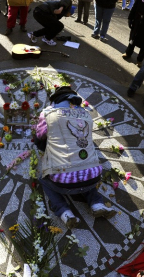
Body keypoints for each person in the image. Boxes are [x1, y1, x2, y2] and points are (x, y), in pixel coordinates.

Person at [34, 86, 117, 229]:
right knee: (86, 168)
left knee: (44, 180)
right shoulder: (85, 113)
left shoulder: (48, 113)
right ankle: (97, 204)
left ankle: (64, 212)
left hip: (63, 182)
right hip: (94, 177)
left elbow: (39, 136)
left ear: (55, 101)